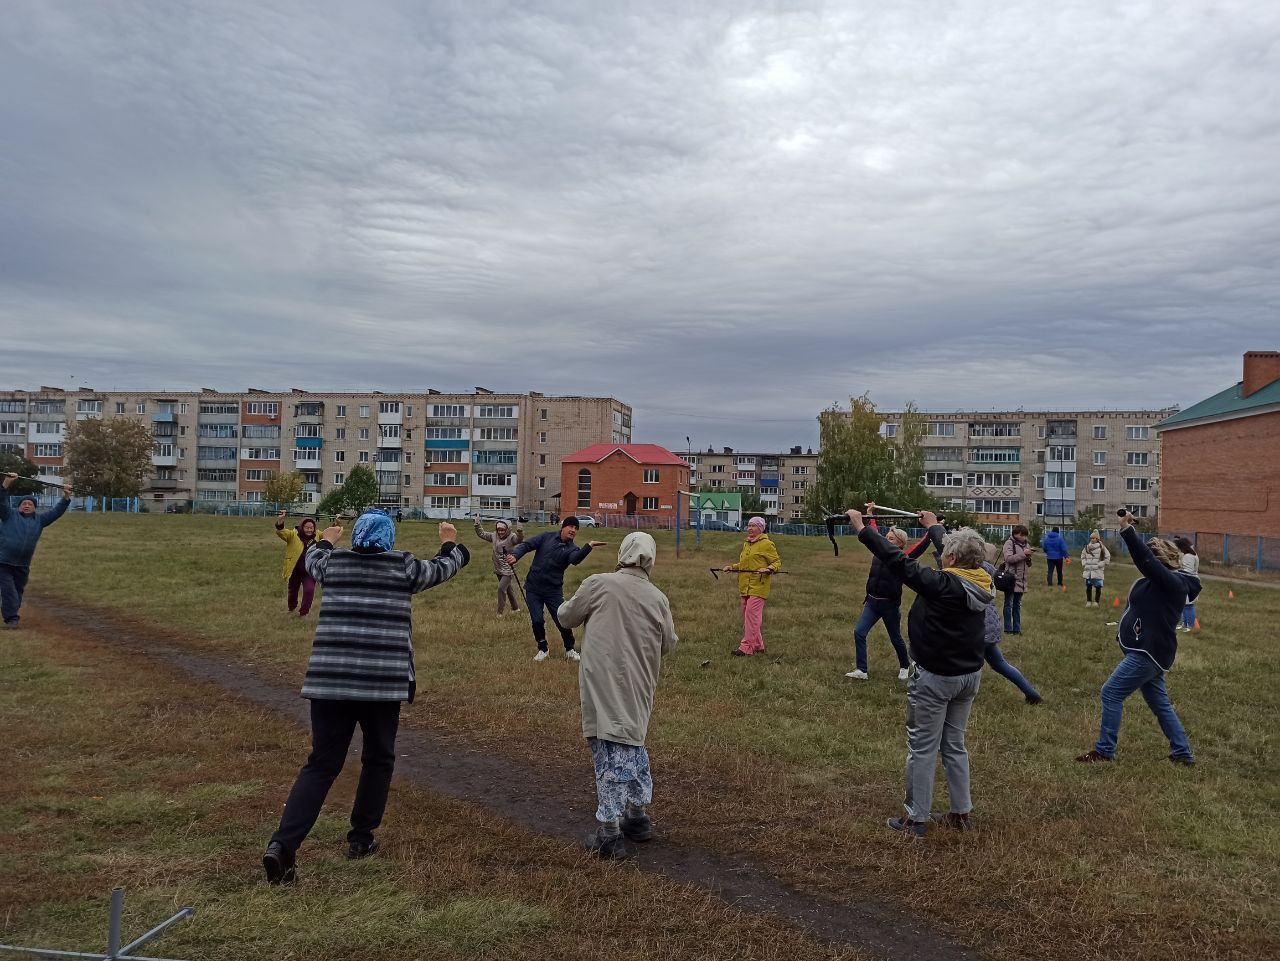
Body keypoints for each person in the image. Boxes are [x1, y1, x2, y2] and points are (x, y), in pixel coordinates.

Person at [262, 511, 469, 885]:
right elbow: (444, 568)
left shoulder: (334, 563)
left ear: (355, 536)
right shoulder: (402, 566)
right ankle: (361, 839)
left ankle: (282, 845)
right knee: (378, 758)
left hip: (330, 683)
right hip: (382, 685)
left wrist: (328, 538)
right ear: (388, 539)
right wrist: (450, 541)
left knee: (322, 765)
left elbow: (311, 557)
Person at [847, 508, 990, 837]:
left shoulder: (942, 585)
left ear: (951, 558)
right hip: (968, 676)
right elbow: (953, 550)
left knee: (922, 747)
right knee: (954, 744)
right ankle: (960, 812)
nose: (942, 557)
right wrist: (935, 527)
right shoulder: (983, 579)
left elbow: (899, 562)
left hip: (937, 677)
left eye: (946, 553)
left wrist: (862, 529)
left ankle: (915, 819)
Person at [557, 532, 678, 859]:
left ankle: (609, 832)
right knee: (632, 743)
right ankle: (636, 817)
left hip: (603, 681)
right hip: (639, 683)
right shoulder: (658, 597)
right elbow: (669, 643)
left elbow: (566, 616)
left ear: (623, 552)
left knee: (609, 749)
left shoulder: (599, 583)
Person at [1076, 511, 1201, 766]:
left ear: (1159, 561)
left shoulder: (1174, 584)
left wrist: (1126, 529)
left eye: (1151, 558)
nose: (1145, 563)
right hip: (1147, 651)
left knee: (1111, 693)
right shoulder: (1149, 583)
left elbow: (1145, 560)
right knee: (1160, 704)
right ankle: (1183, 753)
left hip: (1148, 653)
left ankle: (1105, 751)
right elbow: (1136, 610)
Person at [846, 502, 943, 681]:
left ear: (900, 542)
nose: (885, 540)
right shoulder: (879, 550)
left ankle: (905, 665)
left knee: (895, 638)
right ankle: (862, 670)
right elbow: (873, 534)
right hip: (872, 602)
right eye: (886, 537)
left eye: (890, 539)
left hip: (889, 605)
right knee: (859, 632)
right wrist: (870, 514)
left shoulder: (905, 557)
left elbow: (923, 543)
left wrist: (932, 526)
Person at [506, 516, 607, 662]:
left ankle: (570, 649)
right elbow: (527, 545)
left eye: (576, 528)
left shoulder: (572, 548)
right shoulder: (546, 537)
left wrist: (588, 546)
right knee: (537, 620)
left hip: (553, 591)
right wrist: (515, 555)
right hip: (533, 588)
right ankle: (543, 649)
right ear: (563, 527)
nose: (573, 530)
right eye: (570, 526)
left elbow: (575, 559)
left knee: (563, 619)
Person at [1, 474, 73, 628]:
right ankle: (12, 618)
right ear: (19, 506)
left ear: (35, 508)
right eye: (24, 503)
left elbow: (56, 512)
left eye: (30, 504)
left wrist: (66, 497)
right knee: (9, 591)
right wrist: (6, 483)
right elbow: (1, 501)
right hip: (3, 562)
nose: (26, 505)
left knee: (18, 591)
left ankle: (11, 612)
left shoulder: (40, 521)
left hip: (22, 565)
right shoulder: (9, 515)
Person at [980, 553, 1042, 704]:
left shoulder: (963, 571)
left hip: (976, 629)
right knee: (1000, 664)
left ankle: (959, 697)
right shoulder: (987, 568)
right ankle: (1031, 692)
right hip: (991, 625)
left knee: (965, 667)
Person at [722, 516, 782, 657]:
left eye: (753, 526)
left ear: (760, 528)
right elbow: (744, 564)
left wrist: (768, 569)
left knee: (751, 615)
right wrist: (732, 567)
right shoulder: (747, 544)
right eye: (748, 525)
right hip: (745, 586)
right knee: (749, 617)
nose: (749, 528)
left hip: (759, 585)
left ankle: (746, 648)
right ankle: (758, 645)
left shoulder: (767, 544)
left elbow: (777, 562)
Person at [474, 516, 525, 615]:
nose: (500, 532)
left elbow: (519, 539)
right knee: (508, 589)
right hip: (498, 567)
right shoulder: (494, 536)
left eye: (503, 530)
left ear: (507, 529)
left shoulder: (511, 537)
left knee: (501, 588)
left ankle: (499, 613)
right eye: (498, 530)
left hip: (509, 568)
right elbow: (482, 534)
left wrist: (519, 529)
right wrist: (477, 524)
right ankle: (516, 608)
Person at [274, 511, 319, 617]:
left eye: (311, 528)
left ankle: (304, 613)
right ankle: (292, 608)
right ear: (302, 527)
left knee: (309, 590)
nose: (309, 530)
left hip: (309, 571)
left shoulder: (317, 536)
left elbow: (331, 534)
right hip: (295, 570)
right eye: (307, 527)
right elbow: (281, 532)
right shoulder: (293, 535)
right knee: (293, 591)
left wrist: (337, 523)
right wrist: (281, 520)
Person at [1000, 526, 1035, 634]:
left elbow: (1028, 563)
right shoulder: (1009, 543)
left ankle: (1017, 629)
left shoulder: (1026, 545)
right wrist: (1023, 554)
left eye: (1025, 535)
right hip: (1011, 578)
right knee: (1008, 604)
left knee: (1017, 605)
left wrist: (1028, 557)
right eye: (1022, 535)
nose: (1024, 538)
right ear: (1016, 534)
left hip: (1021, 579)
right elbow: (1008, 558)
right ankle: (1008, 628)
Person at [1080, 531, 1111, 606]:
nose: (1092, 539)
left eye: (1093, 538)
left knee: (1098, 587)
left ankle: (1096, 602)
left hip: (1097, 571)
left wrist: (1100, 564)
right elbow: (1082, 556)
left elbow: (1107, 557)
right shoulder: (1087, 547)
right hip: (1088, 571)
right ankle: (1089, 601)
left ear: (1097, 539)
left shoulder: (1102, 548)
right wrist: (1084, 563)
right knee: (1088, 587)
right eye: (1091, 538)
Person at [1174, 537, 1199, 631]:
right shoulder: (1189, 554)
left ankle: (1189, 625)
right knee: (1183, 604)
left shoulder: (1189, 556)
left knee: (1188, 605)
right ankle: (1184, 623)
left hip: (1189, 582)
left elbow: (1187, 571)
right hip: (1187, 581)